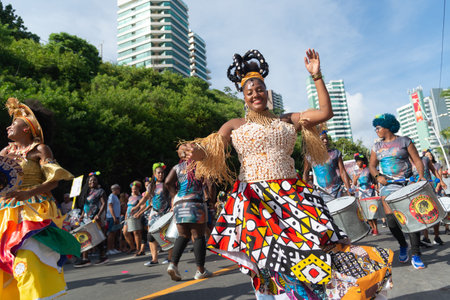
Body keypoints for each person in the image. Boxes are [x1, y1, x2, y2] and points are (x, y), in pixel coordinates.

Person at [178, 49, 393, 299]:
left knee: (314, 249)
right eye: (249, 92)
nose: (255, 94)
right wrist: (192, 151)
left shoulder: (288, 120)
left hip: (292, 195)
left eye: (259, 89)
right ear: (244, 98)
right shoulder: (235, 125)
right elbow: (208, 151)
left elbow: (325, 113)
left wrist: (317, 75)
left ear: (266, 92)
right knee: (265, 261)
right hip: (253, 200)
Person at [0, 98, 80, 299]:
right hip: (6, 211)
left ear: (27, 128)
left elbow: (55, 180)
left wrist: (27, 193)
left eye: (14, 123)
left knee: (29, 258)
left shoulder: (40, 150)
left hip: (34, 211)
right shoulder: (4, 152)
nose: (9, 126)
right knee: (6, 261)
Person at [369, 113, 428, 269]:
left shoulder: (405, 141)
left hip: (407, 183)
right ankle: (403, 245)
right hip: (388, 186)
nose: (376, 131)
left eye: (378, 128)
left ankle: (416, 254)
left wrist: (421, 176)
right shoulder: (376, 146)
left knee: (412, 219)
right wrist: (377, 176)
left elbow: (417, 160)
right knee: (392, 221)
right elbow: (372, 166)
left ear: (387, 127)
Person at [164, 160, 212, 281]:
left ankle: (173, 265)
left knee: (183, 235)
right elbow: (210, 184)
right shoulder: (202, 165)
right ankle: (201, 270)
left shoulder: (177, 167)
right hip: (195, 203)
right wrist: (211, 200)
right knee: (198, 236)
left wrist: (174, 195)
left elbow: (168, 182)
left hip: (179, 203)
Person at [133, 163, 172, 265]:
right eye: (158, 173)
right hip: (154, 213)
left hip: (165, 213)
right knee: (150, 236)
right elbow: (145, 198)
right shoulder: (151, 186)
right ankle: (154, 259)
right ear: (154, 174)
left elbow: (173, 196)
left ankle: (170, 257)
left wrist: (172, 208)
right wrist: (136, 207)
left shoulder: (167, 184)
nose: (161, 175)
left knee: (166, 235)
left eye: (162, 173)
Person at [303, 130, 352, 202]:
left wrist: (349, 189)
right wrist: (305, 191)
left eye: (326, 139)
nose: (325, 141)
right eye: (322, 139)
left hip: (338, 191)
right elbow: (305, 173)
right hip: (321, 193)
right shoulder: (310, 156)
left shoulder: (335, 153)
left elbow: (342, 171)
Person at [74, 174, 109, 267]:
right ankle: (85, 259)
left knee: (97, 236)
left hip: (95, 217)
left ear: (97, 182)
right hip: (85, 218)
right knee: (84, 236)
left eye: (94, 180)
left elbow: (104, 203)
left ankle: (103, 256)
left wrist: (98, 215)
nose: (92, 182)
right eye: (90, 181)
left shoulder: (100, 191)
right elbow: (85, 206)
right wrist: (81, 216)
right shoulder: (86, 192)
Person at [418, 151, 447, 246]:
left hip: (429, 190)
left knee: (435, 213)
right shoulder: (408, 162)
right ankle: (426, 238)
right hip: (417, 192)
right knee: (422, 215)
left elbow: (434, 170)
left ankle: (436, 236)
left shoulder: (425, 160)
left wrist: (441, 182)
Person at [353, 153, 379, 235]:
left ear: (363, 161)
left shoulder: (368, 170)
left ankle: (376, 228)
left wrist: (376, 188)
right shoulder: (355, 172)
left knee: (372, 211)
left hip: (370, 192)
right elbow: (353, 184)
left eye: (360, 161)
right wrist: (355, 179)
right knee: (365, 212)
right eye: (357, 161)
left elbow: (374, 181)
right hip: (361, 193)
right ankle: (372, 227)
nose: (358, 163)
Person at [124, 180, 144, 255]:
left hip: (135, 216)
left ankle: (138, 249)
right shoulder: (130, 197)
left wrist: (139, 213)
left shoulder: (140, 197)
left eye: (135, 188)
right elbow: (127, 207)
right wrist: (126, 216)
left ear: (138, 189)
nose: (133, 190)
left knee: (136, 232)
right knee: (125, 232)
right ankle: (132, 247)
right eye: (132, 189)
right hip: (128, 216)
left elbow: (142, 207)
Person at [106, 184, 122, 255]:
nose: (119, 190)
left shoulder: (115, 196)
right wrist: (114, 217)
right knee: (111, 233)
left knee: (114, 233)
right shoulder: (111, 196)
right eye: (118, 189)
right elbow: (110, 206)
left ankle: (113, 248)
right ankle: (109, 249)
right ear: (115, 189)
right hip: (112, 217)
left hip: (116, 216)